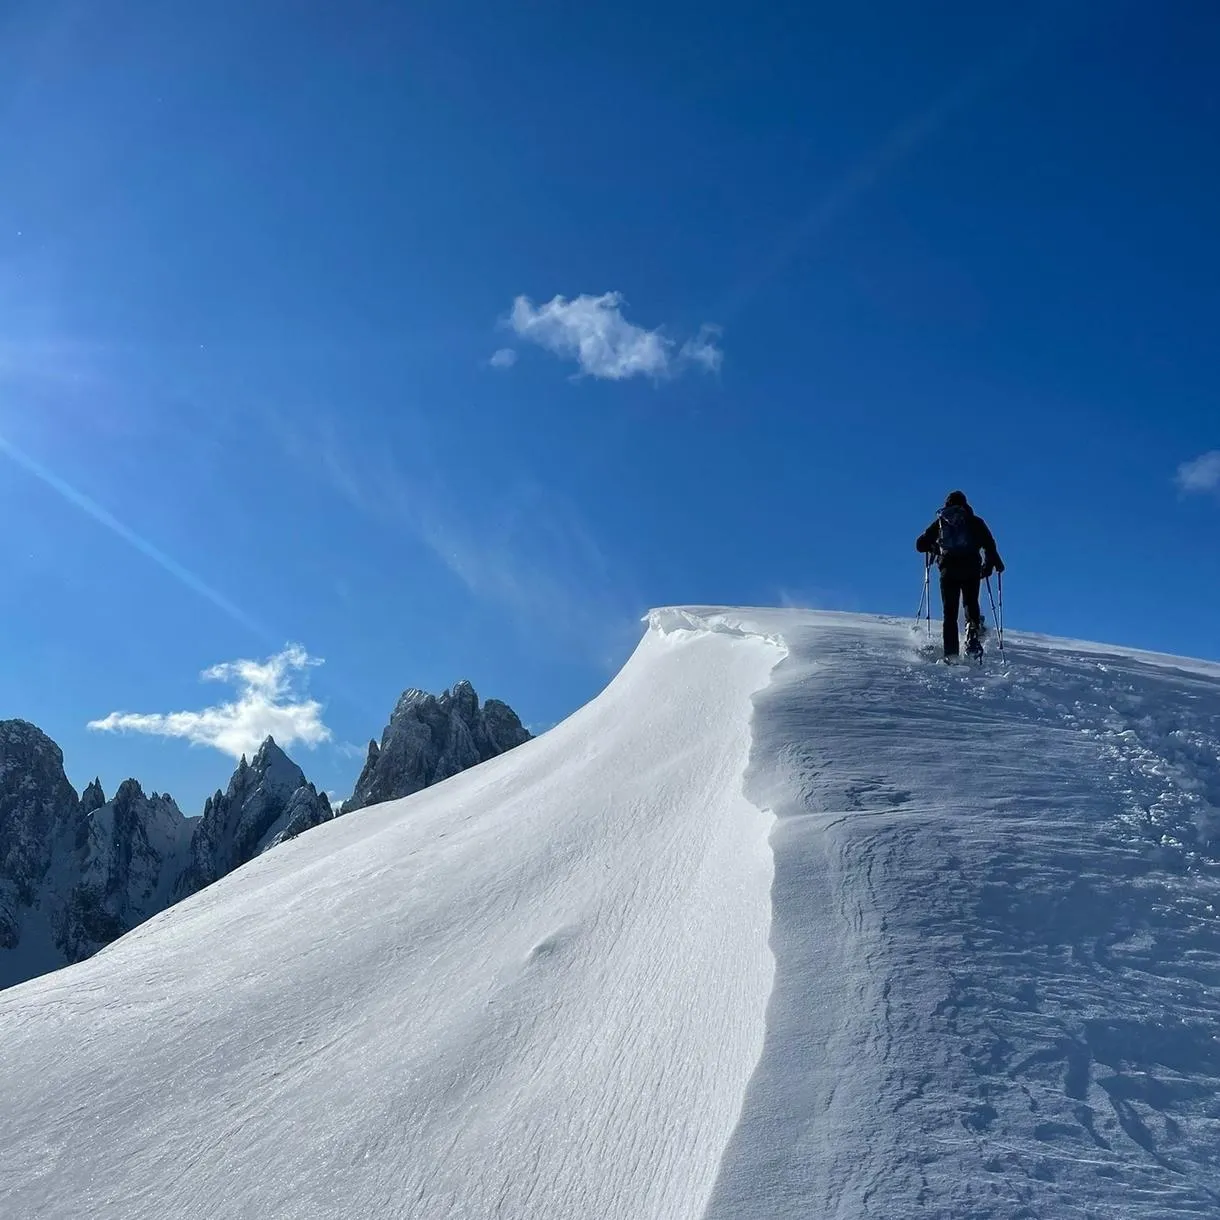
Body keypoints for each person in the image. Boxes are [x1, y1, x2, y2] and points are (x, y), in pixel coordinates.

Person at [915, 490, 1004, 660]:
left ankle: (951, 654)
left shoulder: (941, 522)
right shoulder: (974, 521)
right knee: (971, 603)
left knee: (950, 613)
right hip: (971, 568)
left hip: (948, 570)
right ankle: (972, 635)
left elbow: (920, 544)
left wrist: (934, 547)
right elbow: (989, 544)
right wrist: (993, 564)